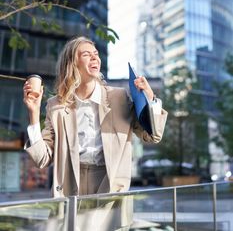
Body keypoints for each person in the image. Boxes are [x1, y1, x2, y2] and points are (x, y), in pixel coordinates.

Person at [23, 36, 168, 198]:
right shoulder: (56, 105)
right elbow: (42, 159)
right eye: (86, 54)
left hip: (109, 185)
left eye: (96, 53)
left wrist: (151, 99)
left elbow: (153, 135)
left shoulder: (119, 98)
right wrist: (33, 113)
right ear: (72, 64)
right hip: (70, 186)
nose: (94, 57)